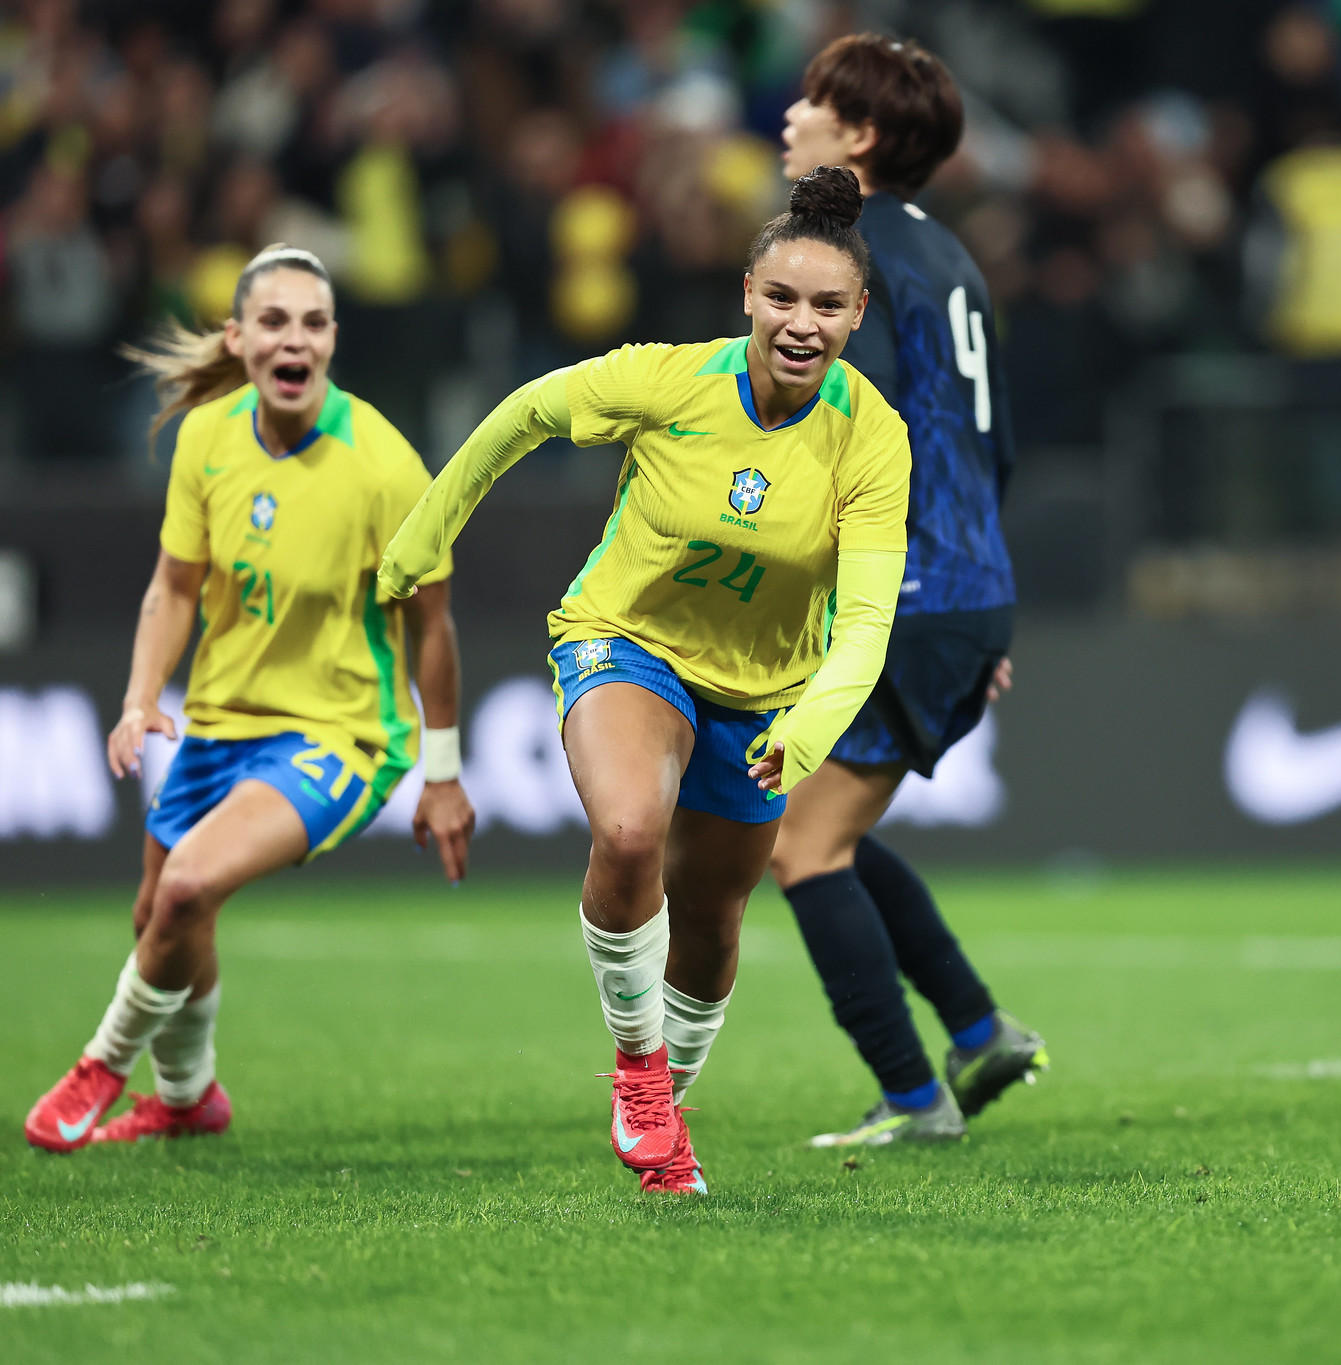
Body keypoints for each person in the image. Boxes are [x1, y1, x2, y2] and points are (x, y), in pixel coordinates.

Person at [376, 167, 910, 1196]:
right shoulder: (668, 381)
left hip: (762, 694)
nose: (801, 324)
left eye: (827, 305)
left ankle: (667, 1103)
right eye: (781, 297)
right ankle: (639, 1075)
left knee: (710, 919)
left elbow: (867, 620)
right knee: (627, 833)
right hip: (626, 641)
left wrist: (810, 723)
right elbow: (524, 414)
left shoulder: (873, 437)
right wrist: (427, 531)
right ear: (747, 295)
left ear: (857, 315)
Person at [24, 245, 474, 1154]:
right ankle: (187, 1098)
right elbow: (175, 585)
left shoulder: (385, 464)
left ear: (333, 338)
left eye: (312, 322)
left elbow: (433, 623)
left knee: (188, 885)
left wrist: (442, 771)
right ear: (237, 338)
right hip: (221, 720)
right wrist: (139, 697)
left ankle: (103, 1063)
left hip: (342, 732)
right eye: (273, 321)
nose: (293, 339)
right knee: (159, 917)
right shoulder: (207, 437)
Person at [775, 35, 1047, 1148]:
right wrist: (978, 608)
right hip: (963, 584)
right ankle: (977, 1031)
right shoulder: (952, 255)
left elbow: (855, 421)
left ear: (860, 134)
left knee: (800, 848)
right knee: (823, 827)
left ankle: (911, 1096)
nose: (790, 116)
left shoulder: (847, 252)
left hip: (902, 588)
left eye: (813, 102)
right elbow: (996, 445)